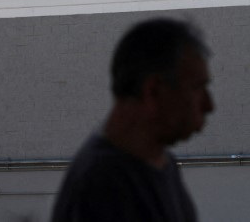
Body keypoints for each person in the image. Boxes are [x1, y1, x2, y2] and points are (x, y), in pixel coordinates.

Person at [51, 18, 215, 222]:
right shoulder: (102, 187)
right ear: (153, 92)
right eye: (197, 88)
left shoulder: (162, 165)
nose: (210, 106)